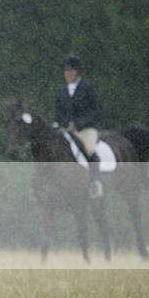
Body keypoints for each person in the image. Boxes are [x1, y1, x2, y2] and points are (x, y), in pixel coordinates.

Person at [54, 53, 104, 198]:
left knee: (88, 150)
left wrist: (80, 123)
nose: (67, 73)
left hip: (85, 130)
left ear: (77, 72)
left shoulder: (88, 88)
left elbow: (98, 110)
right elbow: (57, 112)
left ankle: (95, 183)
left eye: (71, 70)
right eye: (65, 70)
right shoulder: (62, 90)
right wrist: (58, 123)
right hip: (67, 131)